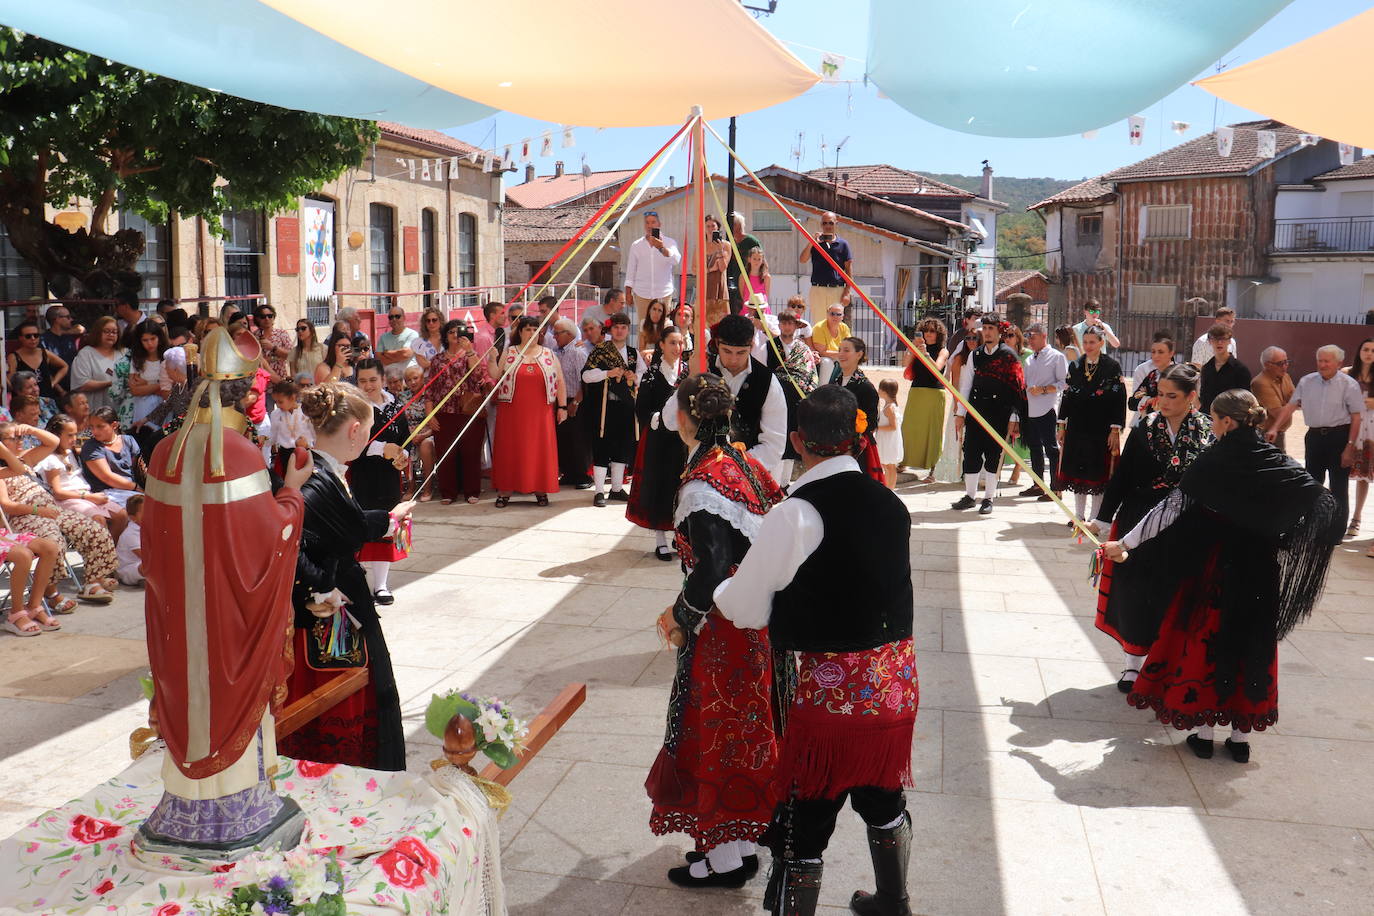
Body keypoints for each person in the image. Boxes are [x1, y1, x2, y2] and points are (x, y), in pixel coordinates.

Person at [715, 384, 917, 916]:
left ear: (799, 441)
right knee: (882, 798)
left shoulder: (796, 513)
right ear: (858, 437)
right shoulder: (892, 505)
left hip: (827, 696)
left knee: (804, 819)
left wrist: (718, 588)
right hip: (892, 687)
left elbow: (746, 609)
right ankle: (894, 901)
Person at [1104, 389, 1340, 764]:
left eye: (1214, 418)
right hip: (1260, 569)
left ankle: (1204, 732)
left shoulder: (1213, 461)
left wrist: (1127, 543)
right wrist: (1280, 535)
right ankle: (1240, 737)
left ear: (1228, 422)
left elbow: (1172, 507)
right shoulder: (1272, 457)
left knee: (1208, 640)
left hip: (1216, 568)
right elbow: (1319, 499)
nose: (1211, 425)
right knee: (1251, 642)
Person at [645, 373, 786, 889]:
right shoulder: (746, 464)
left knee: (721, 734)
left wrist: (680, 615)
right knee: (745, 731)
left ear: (686, 418)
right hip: (755, 621)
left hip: (724, 626)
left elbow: (714, 566)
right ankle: (738, 845)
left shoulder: (705, 479)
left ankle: (727, 859)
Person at [283, 380, 413, 772]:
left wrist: (387, 522)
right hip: (330, 615)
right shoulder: (315, 478)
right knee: (347, 710)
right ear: (356, 430)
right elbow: (295, 543)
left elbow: (348, 524)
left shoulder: (319, 470)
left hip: (342, 598)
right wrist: (322, 588)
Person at [1090, 363, 1212, 691]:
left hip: (1186, 525)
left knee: (1175, 594)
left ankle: (1170, 663)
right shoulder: (1146, 428)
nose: (1164, 401)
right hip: (1139, 521)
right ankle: (1132, 665)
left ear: (1192, 397)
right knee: (1136, 591)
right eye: (1160, 394)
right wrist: (1102, 519)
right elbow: (1123, 477)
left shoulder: (1206, 432)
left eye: (1172, 396)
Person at [662, 313, 788, 483]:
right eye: (727, 351)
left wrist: (731, 468)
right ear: (717, 344)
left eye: (741, 352)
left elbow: (774, 444)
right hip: (696, 475)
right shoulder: (700, 369)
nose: (734, 359)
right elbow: (670, 421)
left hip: (745, 479)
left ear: (751, 346)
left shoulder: (766, 381)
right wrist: (692, 378)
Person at [1267, 344, 1364, 533]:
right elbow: (1290, 406)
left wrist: (1350, 446)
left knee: (1338, 487)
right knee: (1312, 483)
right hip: (1314, 438)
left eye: (1327, 361)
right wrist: (1274, 428)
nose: (1322, 364)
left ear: (1339, 363)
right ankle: (1311, 528)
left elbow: (1356, 416)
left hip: (1339, 438)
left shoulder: (1349, 384)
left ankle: (1336, 532)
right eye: (1320, 360)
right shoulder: (1307, 381)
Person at [953, 315, 1027, 515]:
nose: (987, 332)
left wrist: (1014, 418)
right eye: (984, 328)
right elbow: (966, 385)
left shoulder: (1009, 356)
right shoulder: (974, 355)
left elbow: (1017, 389)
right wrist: (960, 413)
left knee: (993, 456)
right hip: (976, 412)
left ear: (999, 331)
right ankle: (970, 496)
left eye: (991, 328)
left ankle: (988, 498)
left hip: (999, 413)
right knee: (971, 453)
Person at [351, 359, 411, 605]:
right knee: (359, 527)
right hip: (362, 476)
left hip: (388, 478)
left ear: (383, 380)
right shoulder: (354, 407)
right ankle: (355, 582)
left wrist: (403, 455)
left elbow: (406, 436)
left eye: (373, 380)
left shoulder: (394, 404)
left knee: (387, 526)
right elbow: (351, 443)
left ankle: (381, 585)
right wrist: (380, 448)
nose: (368, 385)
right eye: (363, 380)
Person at [490, 315, 566, 507]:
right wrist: (491, 359)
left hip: (541, 412)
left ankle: (540, 489)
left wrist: (562, 407)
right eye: (527, 329)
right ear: (520, 332)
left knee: (539, 449)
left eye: (535, 330)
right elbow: (496, 376)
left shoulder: (548, 354)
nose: (531, 333)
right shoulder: (509, 352)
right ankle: (505, 491)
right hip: (511, 412)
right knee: (510, 449)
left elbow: (560, 381)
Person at [627, 326, 689, 559]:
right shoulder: (652, 376)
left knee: (681, 487)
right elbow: (641, 409)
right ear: (661, 345)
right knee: (659, 487)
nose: (677, 348)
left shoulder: (687, 373)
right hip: (659, 440)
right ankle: (660, 540)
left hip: (683, 440)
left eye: (680, 343)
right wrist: (660, 419)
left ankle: (679, 536)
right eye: (672, 342)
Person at [1056, 328, 1126, 526]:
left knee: (1097, 473)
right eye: (1085, 342)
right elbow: (1067, 395)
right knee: (1079, 472)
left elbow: (1119, 398)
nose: (1088, 346)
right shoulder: (1075, 365)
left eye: (1092, 342)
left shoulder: (1112, 366)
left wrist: (1115, 429)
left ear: (1101, 343)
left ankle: (1095, 517)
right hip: (1077, 426)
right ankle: (1079, 516)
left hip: (1100, 427)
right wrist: (1061, 425)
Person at [425, 319, 491, 505]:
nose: (455, 335)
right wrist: (430, 415)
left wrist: (469, 350)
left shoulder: (472, 355)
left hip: (469, 411)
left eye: (459, 332)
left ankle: (472, 491)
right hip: (444, 413)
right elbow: (430, 389)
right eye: (451, 332)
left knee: (471, 453)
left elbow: (478, 375)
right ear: (445, 336)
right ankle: (448, 492)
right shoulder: (437, 360)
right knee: (446, 454)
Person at [581, 313, 639, 507]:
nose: (620, 330)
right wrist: (608, 373)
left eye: (623, 327)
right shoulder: (599, 351)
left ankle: (616, 489)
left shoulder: (633, 353)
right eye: (616, 327)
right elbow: (586, 376)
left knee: (622, 446)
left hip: (625, 406)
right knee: (602, 445)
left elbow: (644, 376)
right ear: (610, 329)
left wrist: (633, 376)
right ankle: (598, 491)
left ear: (628, 329)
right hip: (603, 406)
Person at [37, 413, 124, 530]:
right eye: (69, 435)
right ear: (55, 435)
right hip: (67, 500)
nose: (74, 439)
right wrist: (87, 497)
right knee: (98, 520)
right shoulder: (50, 458)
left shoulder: (69, 451)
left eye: (75, 435)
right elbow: (57, 492)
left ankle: (113, 547)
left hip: (86, 495)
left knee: (121, 515)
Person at [766, 308, 819, 486]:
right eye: (784, 322)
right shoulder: (770, 345)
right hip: (776, 396)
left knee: (793, 436)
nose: (787, 326)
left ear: (796, 326)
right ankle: (773, 482)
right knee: (777, 434)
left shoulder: (803, 348)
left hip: (796, 397)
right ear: (779, 324)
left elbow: (808, 372)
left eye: (790, 323)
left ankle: (785, 482)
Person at [1016, 322, 1067, 500]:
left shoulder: (1057, 357)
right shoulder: (1030, 359)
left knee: (1051, 449)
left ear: (1044, 336)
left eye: (1033, 336)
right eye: (1028, 336)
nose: (1030, 340)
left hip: (1048, 407)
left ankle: (1056, 488)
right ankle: (1038, 484)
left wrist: (1044, 389)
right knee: (1034, 448)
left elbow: (1064, 383)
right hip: (1030, 408)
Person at [899, 318, 949, 483]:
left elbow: (937, 368)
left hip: (935, 392)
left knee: (932, 431)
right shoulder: (917, 348)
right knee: (909, 427)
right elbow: (905, 363)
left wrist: (925, 353)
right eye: (926, 330)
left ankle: (933, 469)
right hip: (917, 390)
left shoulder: (943, 350)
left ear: (938, 334)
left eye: (932, 331)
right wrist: (913, 348)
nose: (928, 334)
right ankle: (904, 461)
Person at [830, 337, 885, 485]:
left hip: (857, 449)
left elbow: (871, 423)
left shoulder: (865, 387)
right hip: (834, 445)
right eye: (840, 350)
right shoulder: (835, 383)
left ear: (859, 354)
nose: (841, 354)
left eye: (846, 350)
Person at [933, 326, 980, 485]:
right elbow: (955, 384)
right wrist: (958, 405)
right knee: (958, 437)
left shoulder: (982, 357)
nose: (971, 342)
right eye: (968, 338)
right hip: (961, 400)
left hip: (978, 401)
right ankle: (958, 471)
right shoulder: (960, 358)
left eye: (974, 338)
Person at [550, 317, 592, 490]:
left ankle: (583, 475)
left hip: (576, 400)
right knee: (564, 438)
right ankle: (569, 473)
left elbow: (586, 381)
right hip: (561, 401)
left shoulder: (578, 352)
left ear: (568, 334)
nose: (554, 337)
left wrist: (575, 401)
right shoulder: (556, 352)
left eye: (557, 333)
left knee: (578, 439)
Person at [1343, 338, 1374, 539]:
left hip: (1371, 429)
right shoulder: (1347, 374)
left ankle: (1356, 517)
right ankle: (1340, 517)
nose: (1369, 353)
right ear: (1359, 351)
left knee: (1365, 474)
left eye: (1373, 350)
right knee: (1341, 474)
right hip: (1350, 427)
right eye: (1366, 349)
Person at [80, 407, 141, 509]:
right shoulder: (91, 447)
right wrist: (136, 488)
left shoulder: (128, 440)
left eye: (100, 426)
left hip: (132, 490)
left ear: (114, 425)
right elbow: (107, 477)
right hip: (107, 493)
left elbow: (138, 467)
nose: (94, 431)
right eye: (92, 427)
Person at [624, 211, 680, 319]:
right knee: (643, 328)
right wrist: (628, 293)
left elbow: (675, 260)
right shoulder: (636, 245)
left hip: (663, 293)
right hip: (641, 293)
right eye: (647, 223)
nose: (650, 226)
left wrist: (661, 248)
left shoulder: (669, 242)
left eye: (653, 222)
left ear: (659, 224)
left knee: (662, 329)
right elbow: (631, 271)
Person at [800, 211, 853, 325]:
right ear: (821, 225)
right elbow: (802, 260)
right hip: (818, 289)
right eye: (824, 223)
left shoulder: (843, 244)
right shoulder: (815, 243)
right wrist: (812, 242)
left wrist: (847, 292)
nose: (828, 226)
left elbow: (849, 269)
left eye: (830, 223)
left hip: (837, 289)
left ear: (836, 224)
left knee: (836, 324)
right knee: (819, 324)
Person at [127, 319, 170, 455]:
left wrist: (146, 385)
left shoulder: (168, 357)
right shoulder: (137, 359)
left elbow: (171, 390)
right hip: (143, 408)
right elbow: (135, 390)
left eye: (153, 338)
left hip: (164, 407)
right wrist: (159, 384)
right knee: (145, 443)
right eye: (145, 340)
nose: (150, 344)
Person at [69, 317, 123, 412]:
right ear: (97, 332)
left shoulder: (124, 353)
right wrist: (111, 383)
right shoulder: (86, 354)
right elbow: (82, 384)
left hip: (120, 409)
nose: (111, 335)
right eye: (106, 331)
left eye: (114, 332)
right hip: (94, 410)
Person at [7, 319, 68, 401]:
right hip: (26, 402)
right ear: (20, 338)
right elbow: (11, 381)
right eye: (28, 336)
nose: (33, 338)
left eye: (36, 335)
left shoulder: (44, 353)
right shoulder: (14, 357)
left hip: (47, 400)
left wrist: (53, 383)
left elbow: (64, 366)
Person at [401, 364, 436, 500]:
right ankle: (411, 485)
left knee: (426, 445)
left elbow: (435, 422)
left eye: (415, 378)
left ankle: (427, 487)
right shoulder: (403, 397)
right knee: (401, 444)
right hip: (409, 434)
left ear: (422, 378)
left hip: (428, 433)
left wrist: (423, 435)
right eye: (409, 380)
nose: (412, 382)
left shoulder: (430, 395)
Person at [1198, 323, 1251, 412]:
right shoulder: (1206, 368)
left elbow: (1245, 399)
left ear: (1229, 341)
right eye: (1215, 339)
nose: (1219, 342)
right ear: (1210, 341)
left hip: (1231, 417)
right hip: (1209, 417)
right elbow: (1204, 396)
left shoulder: (1241, 369)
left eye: (1223, 339)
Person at [1251, 346, 1295, 453]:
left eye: (1286, 362)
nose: (1285, 366)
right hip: (1266, 435)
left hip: (1278, 432)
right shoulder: (1260, 383)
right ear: (1267, 365)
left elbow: (1298, 399)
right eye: (1280, 363)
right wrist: (1293, 404)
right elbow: (1279, 413)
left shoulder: (1285, 377)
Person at [1128, 336, 1176, 428]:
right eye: (1153, 352)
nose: (1156, 355)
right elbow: (1132, 402)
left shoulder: (1179, 376)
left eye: (1160, 352)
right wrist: (1149, 400)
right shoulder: (1152, 376)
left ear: (1171, 353)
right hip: (1150, 426)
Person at [269, 379, 313, 476]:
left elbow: (314, 433)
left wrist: (309, 443)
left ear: (292, 398)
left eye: (281, 402)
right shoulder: (276, 414)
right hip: (285, 454)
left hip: (305, 451)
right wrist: (265, 441)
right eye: (276, 402)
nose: (277, 405)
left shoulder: (306, 412)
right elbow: (273, 434)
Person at [700, 214, 731, 326]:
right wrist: (710, 269)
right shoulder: (700, 245)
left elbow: (723, 267)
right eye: (707, 226)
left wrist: (719, 251)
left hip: (720, 292)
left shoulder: (726, 245)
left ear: (718, 227)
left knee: (722, 326)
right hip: (704, 290)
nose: (710, 229)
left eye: (713, 226)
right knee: (703, 325)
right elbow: (694, 269)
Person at [809, 303, 852, 382]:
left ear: (842, 316)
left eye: (838, 314)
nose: (835, 316)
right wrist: (842, 354)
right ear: (827, 314)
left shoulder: (844, 327)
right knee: (827, 362)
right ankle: (822, 389)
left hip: (838, 357)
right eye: (832, 314)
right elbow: (822, 352)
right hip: (820, 359)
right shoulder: (819, 327)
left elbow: (849, 347)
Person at [252, 304, 293, 381]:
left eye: (270, 316)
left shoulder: (282, 334)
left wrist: (273, 348)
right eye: (263, 317)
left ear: (273, 317)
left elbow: (291, 355)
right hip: (261, 382)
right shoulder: (253, 336)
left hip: (280, 379)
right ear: (257, 319)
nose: (267, 319)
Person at [875, 378, 903, 489]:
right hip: (887, 439)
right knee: (887, 465)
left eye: (880, 388)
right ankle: (889, 488)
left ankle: (889, 488)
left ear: (885, 391)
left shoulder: (889, 408)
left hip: (889, 440)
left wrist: (877, 427)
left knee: (889, 466)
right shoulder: (889, 406)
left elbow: (893, 426)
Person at [378, 305, 420, 371]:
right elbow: (380, 358)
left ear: (404, 318)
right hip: (389, 378)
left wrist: (386, 352)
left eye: (397, 316)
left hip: (407, 378)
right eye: (391, 317)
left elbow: (405, 354)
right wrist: (399, 357)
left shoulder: (413, 334)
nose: (394, 319)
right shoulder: (382, 337)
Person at [115, 493, 145, 586]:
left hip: (141, 563)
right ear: (133, 517)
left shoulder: (149, 528)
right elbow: (144, 556)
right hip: (128, 569)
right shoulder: (131, 533)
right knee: (149, 566)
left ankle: (146, 579)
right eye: (145, 512)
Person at [40, 304, 82, 370]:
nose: (71, 319)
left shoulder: (71, 335)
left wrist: (63, 332)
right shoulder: (43, 340)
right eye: (68, 317)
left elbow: (81, 329)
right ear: (57, 319)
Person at [743, 247, 772, 314]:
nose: (756, 261)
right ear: (749, 259)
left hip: (762, 309)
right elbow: (743, 294)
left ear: (762, 261)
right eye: (754, 259)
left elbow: (766, 295)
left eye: (759, 259)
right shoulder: (743, 276)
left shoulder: (766, 277)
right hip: (748, 308)